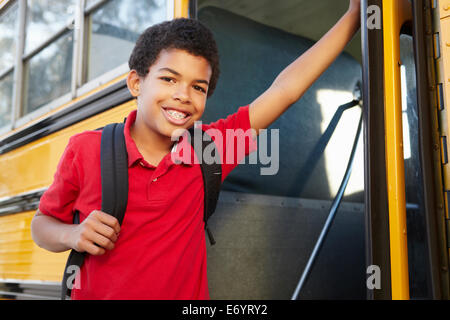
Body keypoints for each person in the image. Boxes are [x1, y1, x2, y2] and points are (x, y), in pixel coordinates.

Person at [31, 0, 361, 299]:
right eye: (169, 79)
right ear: (136, 83)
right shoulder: (87, 149)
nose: (183, 95)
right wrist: (73, 234)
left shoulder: (212, 149)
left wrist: (354, 17)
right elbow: (42, 224)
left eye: (198, 87)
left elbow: (285, 90)